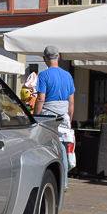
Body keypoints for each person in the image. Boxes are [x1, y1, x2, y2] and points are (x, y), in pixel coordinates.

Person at [32, 45, 76, 179]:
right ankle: (64, 182)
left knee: (47, 149)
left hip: (48, 116)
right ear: (59, 57)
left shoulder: (44, 75)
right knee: (62, 149)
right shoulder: (68, 76)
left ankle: (50, 178)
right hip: (64, 116)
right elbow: (72, 102)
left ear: (45, 59)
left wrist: (35, 117)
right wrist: (69, 118)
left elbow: (40, 99)